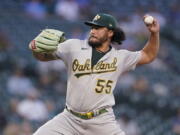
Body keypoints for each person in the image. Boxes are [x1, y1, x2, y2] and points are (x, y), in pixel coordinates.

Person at [29, 13, 160, 135]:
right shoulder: (73, 46)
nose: (93, 31)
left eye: (98, 28)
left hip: (101, 121)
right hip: (69, 118)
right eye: (92, 27)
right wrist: (36, 48)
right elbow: (43, 57)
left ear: (110, 33)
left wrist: (154, 34)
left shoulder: (120, 57)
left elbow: (148, 55)